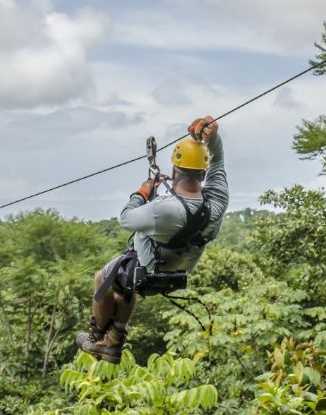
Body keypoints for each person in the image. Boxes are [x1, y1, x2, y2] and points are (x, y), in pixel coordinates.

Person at [76, 116, 229, 363]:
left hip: (150, 267)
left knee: (102, 278)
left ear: (174, 171)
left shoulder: (164, 210)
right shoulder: (217, 201)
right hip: (179, 268)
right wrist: (212, 136)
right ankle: (114, 340)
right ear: (203, 172)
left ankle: (97, 340)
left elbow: (125, 218)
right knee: (124, 286)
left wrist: (142, 193)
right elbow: (219, 161)